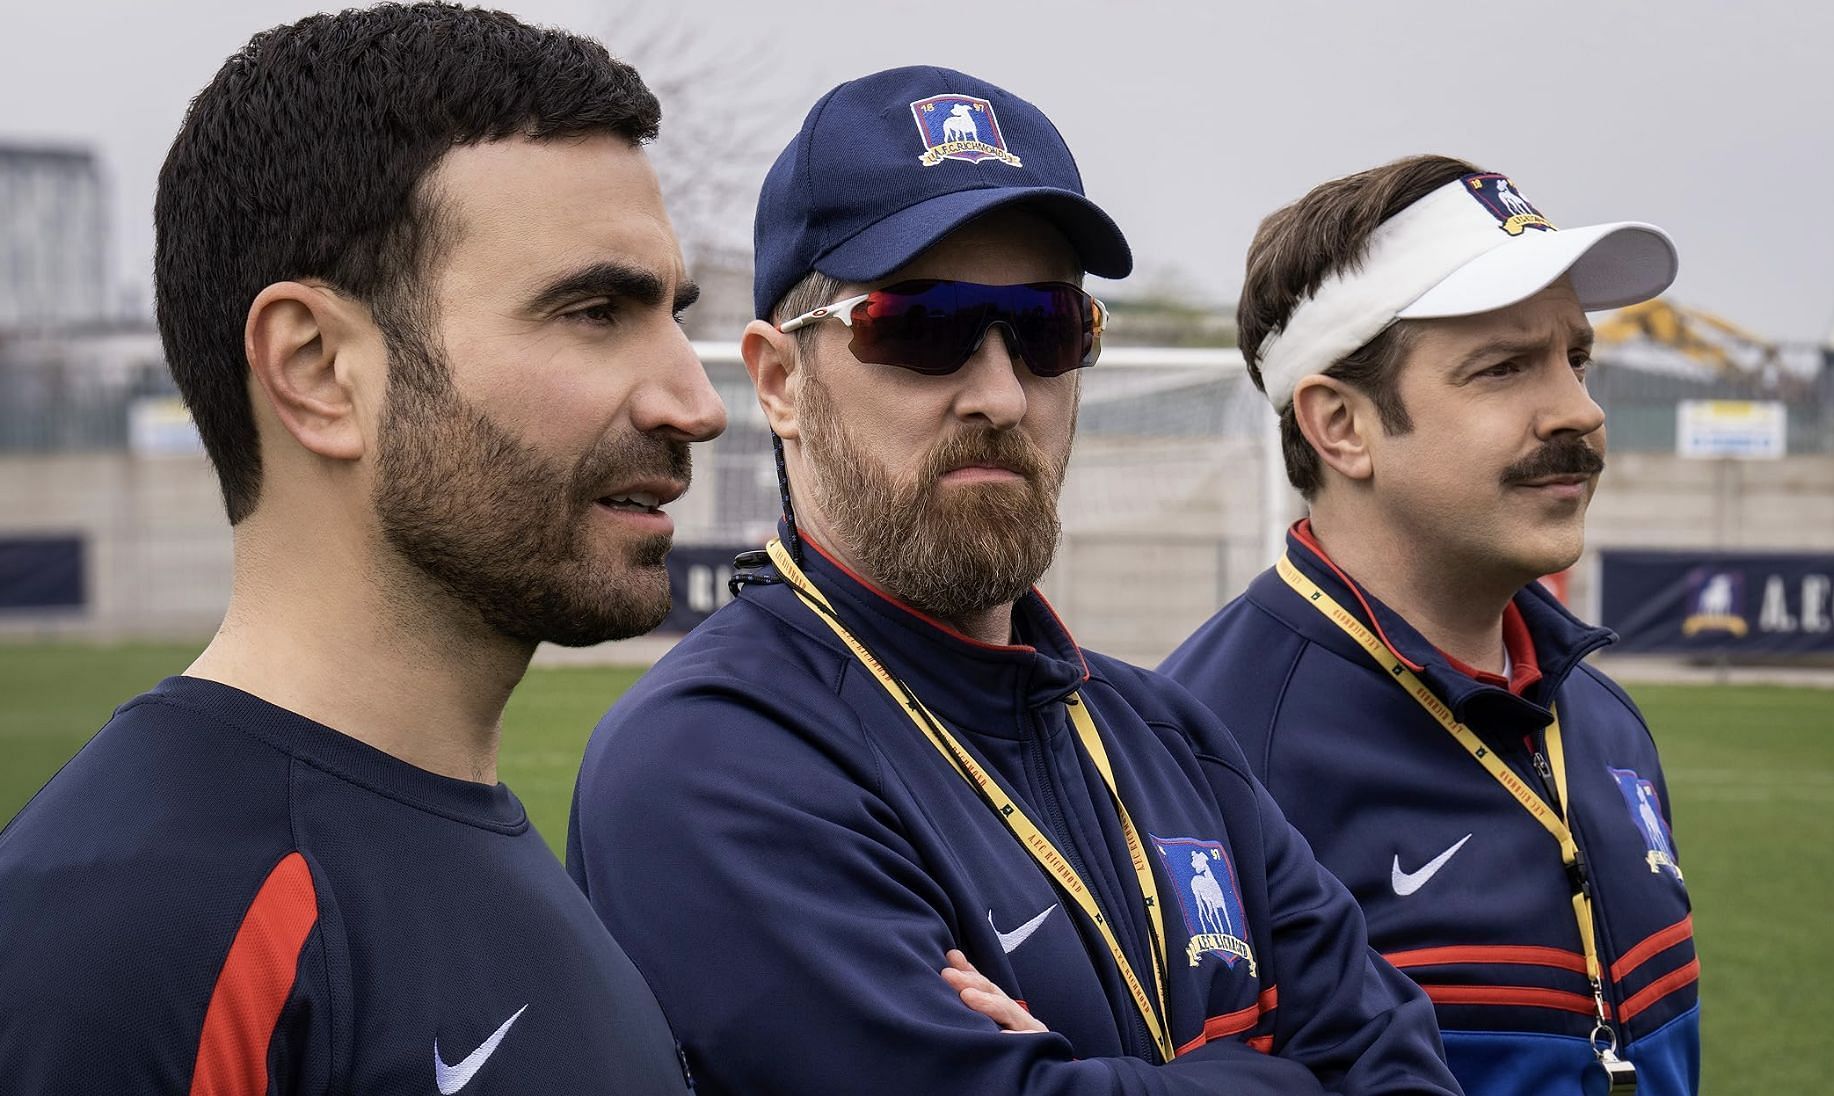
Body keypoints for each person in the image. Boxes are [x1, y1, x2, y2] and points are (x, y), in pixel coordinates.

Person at [568, 66, 1462, 1095]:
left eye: (1045, 329)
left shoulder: (1165, 736)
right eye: (922, 327)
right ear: (778, 379)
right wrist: (1275, 1074)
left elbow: (1403, 1070)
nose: (998, 393)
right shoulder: (710, 757)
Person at [0, 5, 724, 1092]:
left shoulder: (477, 841)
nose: (695, 401)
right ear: (317, 369)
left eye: (671, 311)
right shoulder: (128, 931)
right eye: (592, 311)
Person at [1160, 155, 1698, 1095]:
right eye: (1502, 369)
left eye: (1576, 358)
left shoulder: (1603, 719)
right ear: (1341, 426)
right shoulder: (1199, 759)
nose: (1580, 410)